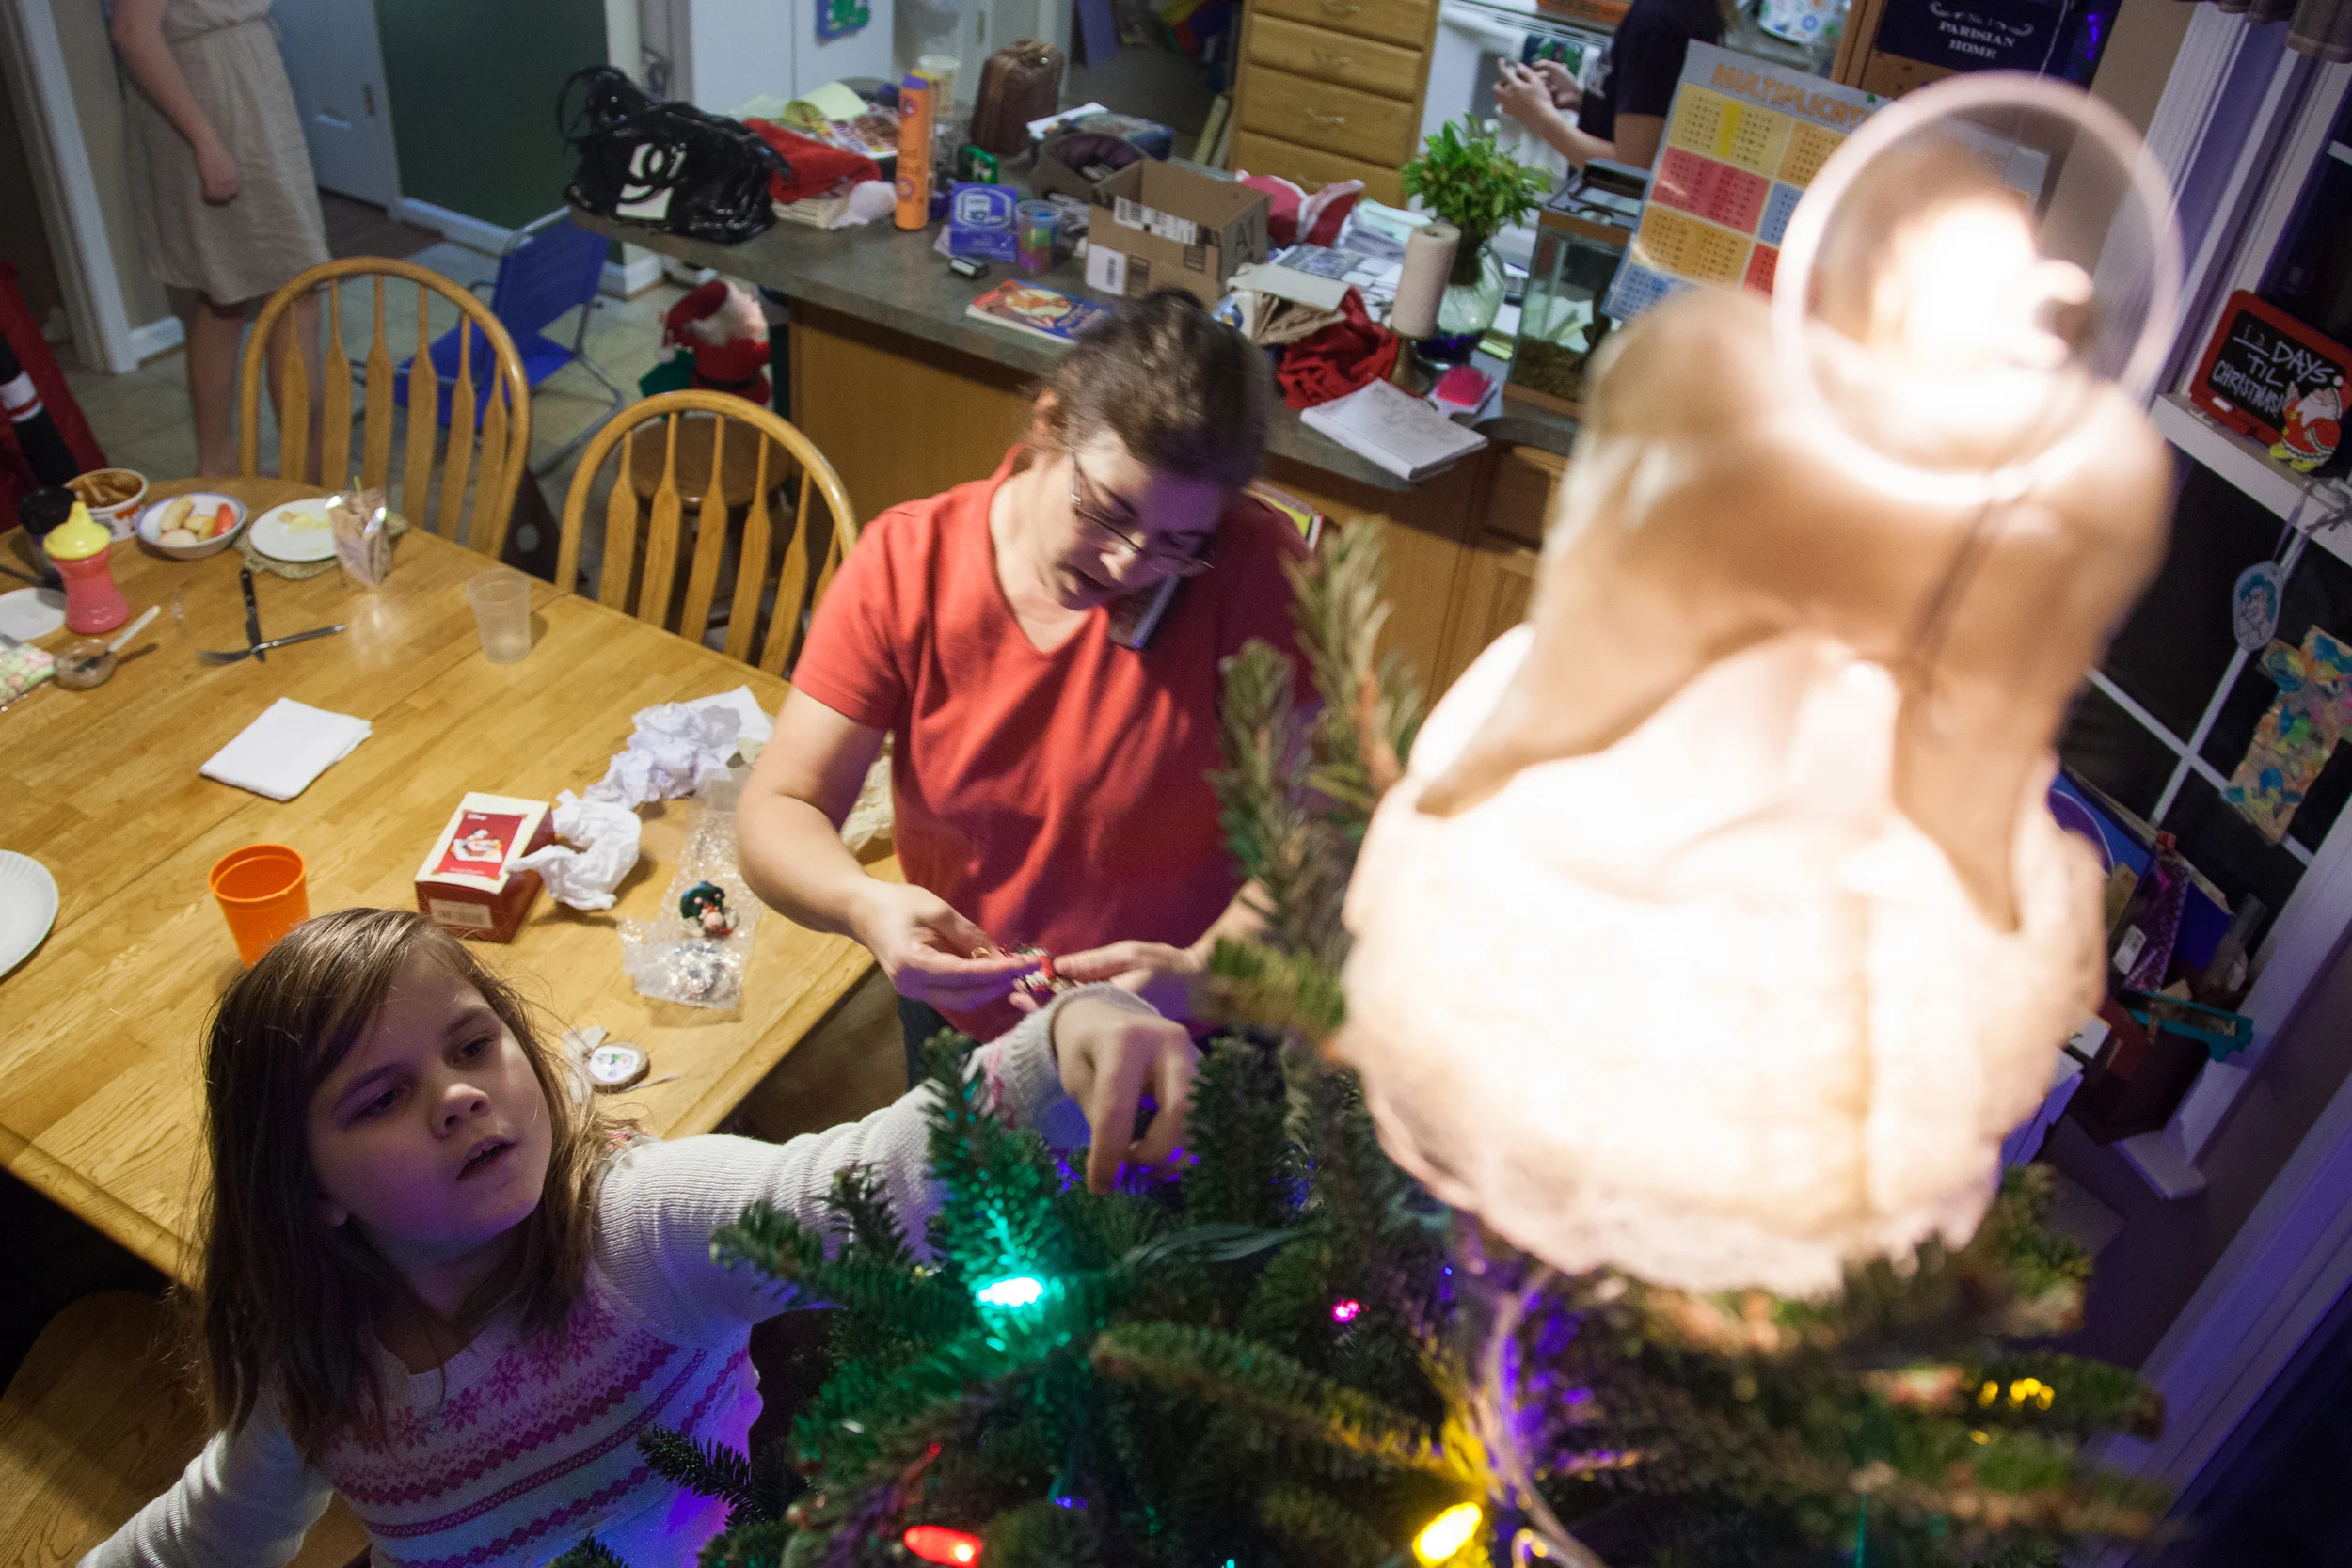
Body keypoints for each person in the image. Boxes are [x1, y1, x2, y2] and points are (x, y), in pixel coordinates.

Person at [83, 908, 1194, 1567]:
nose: (461, 1096)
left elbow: (860, 1180)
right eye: (380, 1097)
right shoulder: (312, 1367)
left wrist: (1067, 1039)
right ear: (307, 1187)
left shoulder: (640, 1228)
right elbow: (212, 1531)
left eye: (475, 1045)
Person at [738, 290, 1310, 1079]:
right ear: (1048, 423)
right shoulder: (910, 562)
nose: (1126, 565)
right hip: (968, 1028)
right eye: (1106, 511)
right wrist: (862, 904)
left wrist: (1201, 973)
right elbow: (780, 807)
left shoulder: (1255, 568)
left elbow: (1326, 833)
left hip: (1181, 1033)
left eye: (1179, 544)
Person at [109, 0, 327, 479]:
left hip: (248, 91)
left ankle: (220, 471)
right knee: (296, 289)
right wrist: (206, 141)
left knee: (223, 294)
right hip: (215, 106)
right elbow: (132, 31)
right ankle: (305, 481)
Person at [1491, 0, 1726, 173]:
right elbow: (1655, 124)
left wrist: (1539, 115)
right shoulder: (1691, 9)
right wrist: (1587, 103)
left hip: (1607, 220)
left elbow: (1630, 170)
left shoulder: (1656, 21)